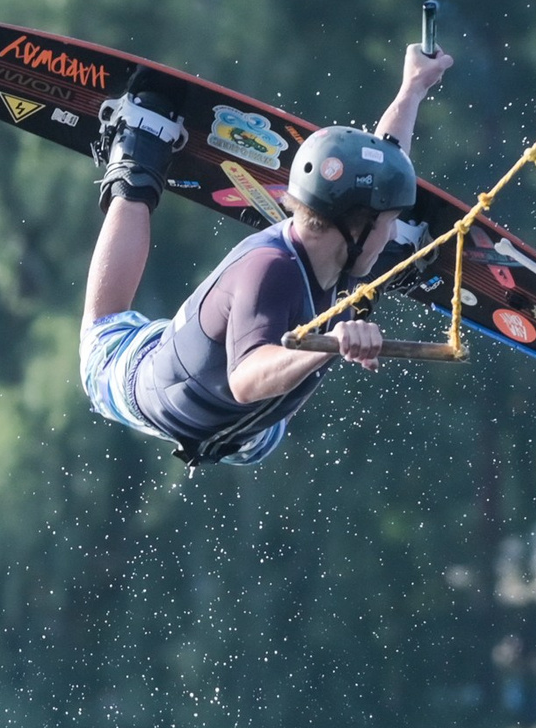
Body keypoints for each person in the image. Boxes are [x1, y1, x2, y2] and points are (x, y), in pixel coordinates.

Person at [78, 41, 452, 467]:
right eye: (388, 222)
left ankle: (394, 261)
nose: (388, 230)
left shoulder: (342, 243)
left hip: (252, 437)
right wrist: (329, 344)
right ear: (355, 226)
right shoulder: (269, 270)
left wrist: (413, 88)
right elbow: (244, 380)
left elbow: (386, 154)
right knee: (101, 334)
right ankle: (139, 152)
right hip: (138, 383)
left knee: (359, 274)